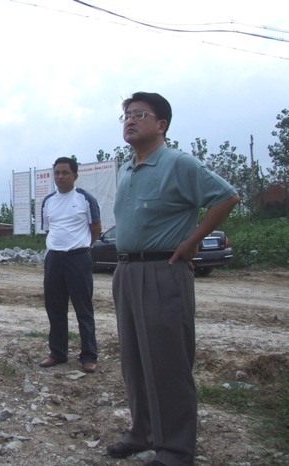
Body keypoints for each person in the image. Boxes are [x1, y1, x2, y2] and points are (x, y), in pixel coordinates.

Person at [106, 92, 239, 466]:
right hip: (126, 271)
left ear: (161, 125)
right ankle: (142, 431)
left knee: (168, 362)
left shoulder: (179, 163)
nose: (130, 120)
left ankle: (176, 449)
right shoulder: (127, 169)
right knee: (134, 359)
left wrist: (192, 242)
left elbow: (226, 197)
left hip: (163, 270)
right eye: (126, 115)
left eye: (139, 114)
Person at [38, 156, 101, 373]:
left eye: (65, 172)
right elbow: (49, 229)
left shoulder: (85, 199)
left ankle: (89, 356)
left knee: (83, 308)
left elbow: (95, 228)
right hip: (54, 259)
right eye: (57, 173)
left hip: (78, 258)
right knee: (54, 308)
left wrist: (83, 247)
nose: (60, 177)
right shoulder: (48, 201)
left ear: (75, 175)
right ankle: (57, 352)